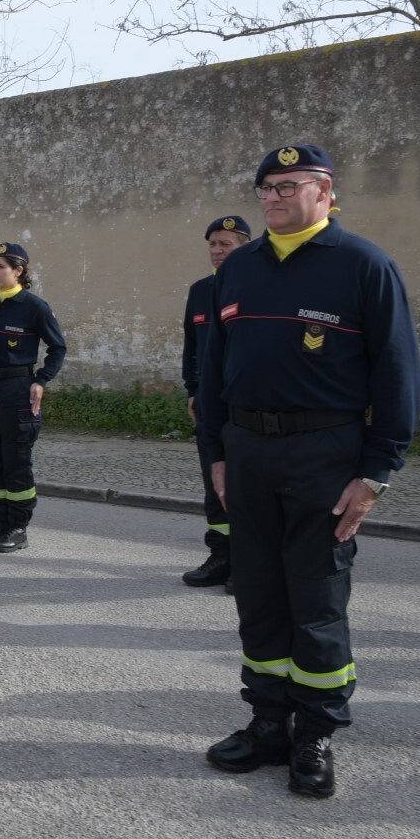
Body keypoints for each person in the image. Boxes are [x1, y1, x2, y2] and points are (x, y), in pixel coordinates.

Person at [197, 144, 420, 800]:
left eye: (288, 185)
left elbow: (398, 374)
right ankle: (269, 720)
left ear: (325, 192)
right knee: (259, 594)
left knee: (317, 601)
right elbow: (214, 371)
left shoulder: (364, 266)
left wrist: (377, 471)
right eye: (265, 185)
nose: (272, 196)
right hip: (248, 452)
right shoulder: (238, 269)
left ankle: (315, 731)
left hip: (326, 455)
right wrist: (216, 453)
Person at [0, 242, 66, 553]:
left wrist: (41, 380)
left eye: (1, 266)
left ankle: (18, 526)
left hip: (18, 390)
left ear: (19, 271)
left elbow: (58, 348)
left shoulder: (34, 307)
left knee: (16, 462)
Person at [181, 216, 254, 589]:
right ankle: (221, 555)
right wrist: (193, 389)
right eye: (213, 244)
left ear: (246, 246)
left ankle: (250, 562)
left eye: (226, 244)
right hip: (211, 403)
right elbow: (192, 347)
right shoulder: (200, 290)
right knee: (215, 481)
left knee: (249, 483)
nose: (217, 250)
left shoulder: (258, 286)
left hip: (249, 403)